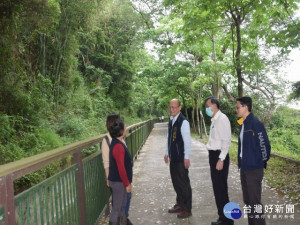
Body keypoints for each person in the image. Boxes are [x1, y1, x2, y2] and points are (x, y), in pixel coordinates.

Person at [236, 97, 270, 225]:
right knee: (248, 201)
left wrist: (260, 162)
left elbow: (264, 145)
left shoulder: (255, 123)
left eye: (238, 107)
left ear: (245, 107)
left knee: (255, 202)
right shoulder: (243, 123)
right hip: (244, 168)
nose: (236, 110)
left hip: (253, 169)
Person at [205, 96, 233, 225]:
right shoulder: (214, 120)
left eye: (207, 106)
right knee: (217, 189)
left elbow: (226, 142)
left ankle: (227, 220)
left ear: (214, 105)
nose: (206, 109)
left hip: (219, 157)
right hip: (214, 156)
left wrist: (221, 159)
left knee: (221, 189)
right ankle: (222, 217)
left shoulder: (222, 119)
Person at [164, 98, 192, 218]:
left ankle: (187, 208)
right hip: (173, 157)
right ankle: (180, 204)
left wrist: (186, 157)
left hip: (181, 158)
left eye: (174, 107)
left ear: (179, 108)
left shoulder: (183, 121)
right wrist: (167, 152)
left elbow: (187, 141)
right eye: (170, 107)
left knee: (183, 183)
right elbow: (169, 138)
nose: (172, 109)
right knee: (176, 182)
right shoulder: (171, 120)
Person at [108, 118, 133, 225]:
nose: (126, 129)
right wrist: (127, 184)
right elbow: (121, 168)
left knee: (122, 207)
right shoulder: (118, 146)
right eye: (125, 127)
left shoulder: (118, 142)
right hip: (119, 182)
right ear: (121, 131)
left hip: (120, 181)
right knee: (117, 209)